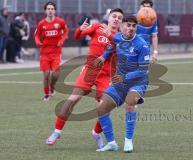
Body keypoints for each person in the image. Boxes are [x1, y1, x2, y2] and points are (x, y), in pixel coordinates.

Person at [45, 8, 124, 149]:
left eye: (119, 17)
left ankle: (96, 132)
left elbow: (120, 55)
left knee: (104, 107)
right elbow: (77, 36)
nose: (116, 19)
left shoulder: (120, 37)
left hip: (106, 75)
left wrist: (111, 37)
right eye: (114, 16)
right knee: (72, 100)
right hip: (89, 71)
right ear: (109, 17)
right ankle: (57, 131)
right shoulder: (97, 27)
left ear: (121, 21)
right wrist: (79, 29)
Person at [94, 15, 150, 152]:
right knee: (101, 108)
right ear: (122, 26)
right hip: (120, 82)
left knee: (129, 103)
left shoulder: (142, 44)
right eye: (128, 25)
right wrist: (103, 56)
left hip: (138, 82)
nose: (131, 28)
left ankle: (128, 141)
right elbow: (112, 46)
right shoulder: (118, 37)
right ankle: (112, 143)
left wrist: (125, 76)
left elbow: (143, 70)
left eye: (133, 26)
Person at [34, 2, 69, 101]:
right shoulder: (41, 24)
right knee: (46, 75)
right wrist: (38, 42)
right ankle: (46, 94)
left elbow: (66, 31)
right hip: (45, 53)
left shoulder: (60, 22)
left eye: (52, 9)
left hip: (56, 52)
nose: (50, 11)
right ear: (45, 11)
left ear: (55, 11)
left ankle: (52, 87)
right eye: (48, 9)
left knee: (55, 74)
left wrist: (61, 40)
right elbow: (36, 35)